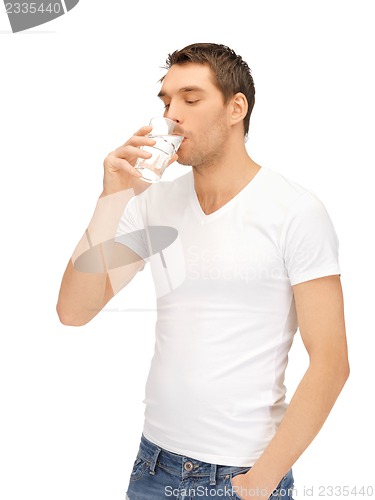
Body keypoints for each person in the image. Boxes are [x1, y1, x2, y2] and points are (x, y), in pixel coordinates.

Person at [56, 43, 350, 500]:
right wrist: (112, 196)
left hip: (242, 475)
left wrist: (261, 481)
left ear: (236, 108)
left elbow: (331, 362)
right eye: (166, 101)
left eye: (190, 100)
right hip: (153, 463)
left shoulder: (295, 211)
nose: (173, 114)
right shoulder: (153, 203)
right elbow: (74, 310)